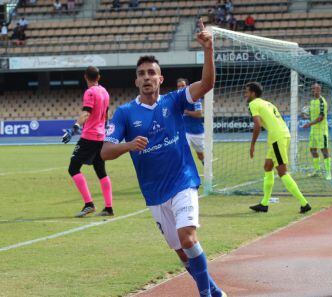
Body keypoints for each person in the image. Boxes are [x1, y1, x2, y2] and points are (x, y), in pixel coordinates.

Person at [101, 20, 227, 297]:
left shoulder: (175, 100)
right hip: (155, 195)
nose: (146, 77)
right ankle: (214, 290)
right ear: (136, 80)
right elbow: (105, 151)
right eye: (141, 73)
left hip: (183, 183)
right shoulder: (124, 113)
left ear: (160, 79)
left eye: (151, 73)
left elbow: (207, 83)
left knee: (188, 237)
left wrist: (208, 50)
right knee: (181, 251)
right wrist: (129, 145)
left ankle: (206, 295)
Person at [247, 82, 311, 214]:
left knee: (282, 172)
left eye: (247, 92)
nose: (245, 94)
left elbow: (257, 125)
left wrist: (252, 145)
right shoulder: (267, 103)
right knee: (268, 166)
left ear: (253, 93)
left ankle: (304, 203)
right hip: (281, 135)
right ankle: (264, 204)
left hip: (277, 138)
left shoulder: (253, 104)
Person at [62, 66, 114, 217]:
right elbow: (106, 114)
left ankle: (89, 204)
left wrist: (74, 128)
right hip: (100, 136)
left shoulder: (90, 92)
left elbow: (86, 113)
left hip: (89, 136)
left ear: (85, 77)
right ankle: (109, 207)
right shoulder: (104, 91)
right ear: (99, 77)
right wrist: (105, 130)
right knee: (100, 170)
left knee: (73, 168)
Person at [302, 83, 331, 180]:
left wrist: (309, 124)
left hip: (322, 130)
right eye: (312, 89)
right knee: (313, 150)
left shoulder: (322, 102)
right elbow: (311, 115)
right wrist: (305, 116)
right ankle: (317, 171)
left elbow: (321, 117)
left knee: (324, 151)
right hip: (313, 130)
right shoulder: (312, 102)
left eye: (315, 89)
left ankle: (328, 173)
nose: (313, 90)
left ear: (319, 90)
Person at [177, 78, 204, 165]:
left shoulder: (195, 98)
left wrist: (187, 112)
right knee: (183, 153)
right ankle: (185, 174)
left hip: (197, 132)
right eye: (179, 86)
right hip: (185, 132)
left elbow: (199, 114)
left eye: (182, 86)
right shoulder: (177, 101)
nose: (181, 88)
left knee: (200, 154)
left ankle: (206, 168)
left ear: (187, 86)